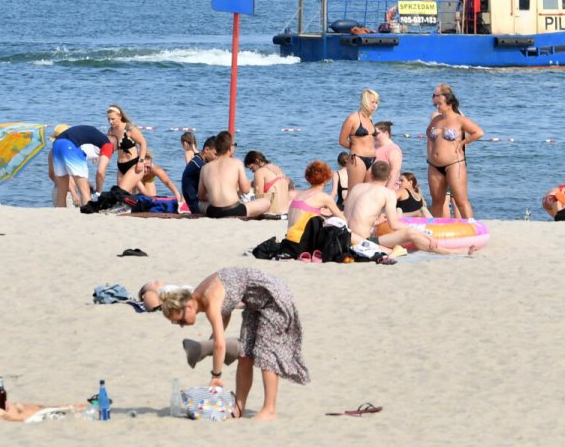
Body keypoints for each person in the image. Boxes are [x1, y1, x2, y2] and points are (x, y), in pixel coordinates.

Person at [156, 268, 310, 420]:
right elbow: (226, 311)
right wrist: (211, 344)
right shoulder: (199, 295)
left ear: (188, 306)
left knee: (266, 354)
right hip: (254, 304)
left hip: (272, 297)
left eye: (181, 320)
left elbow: (220, 344)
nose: (182, 325)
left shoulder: (209, 299)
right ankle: (239, 407)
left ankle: (269, 409)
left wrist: (216, 375)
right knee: (245, 354)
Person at [345, 160, 474, 254]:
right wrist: (422, 233)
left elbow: (353, 214)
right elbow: (394, 225)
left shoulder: (357, 187)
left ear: (371, 174)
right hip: (363, 240)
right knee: (411, 233)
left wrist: (375, 221)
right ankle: (451, 252)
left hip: (345, 236)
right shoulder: (387, 193)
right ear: (390, 177)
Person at [427, 83, 482, 219]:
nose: (437, 107)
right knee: (437, 201)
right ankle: (436, 230)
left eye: (440, 104)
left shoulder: (459, 119)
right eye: (436, 105)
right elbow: (428, 132)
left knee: (460, 200)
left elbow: (478, 132)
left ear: (449, 104)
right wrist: (433, 149)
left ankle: (471, 228)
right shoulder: (436, 120)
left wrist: (462, 143)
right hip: (434, 165)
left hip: (454, 163)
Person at [197, 132, 273, 218]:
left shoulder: (205, 168)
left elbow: (201, 196)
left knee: (200, 204)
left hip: (214, 212)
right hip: (234, 210)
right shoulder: (237, 163)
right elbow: (245, 190)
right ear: (230, 148)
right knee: (266, 202)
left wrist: (214, 197)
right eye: (234, 145)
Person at [48, 124, 114, 208]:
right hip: (69, 144)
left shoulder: (91, 140)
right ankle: (86, 216)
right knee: (84, 190)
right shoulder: (108, 145)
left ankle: (61, 214)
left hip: (57, 144)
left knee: (61, 191)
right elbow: (100, 172)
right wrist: (98, 192)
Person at [285, 160, 343, 243]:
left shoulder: (299, 194)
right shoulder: (324, 197)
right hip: (303, 243)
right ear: (326, 179)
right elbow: (342, 220)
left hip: (289, 239)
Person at [339, 88, 380, 188]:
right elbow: (342, 141)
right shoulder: (353, 118)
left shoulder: (370, 119)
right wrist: (355, 147)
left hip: (372, 159)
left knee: (368, 193)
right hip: (357, 159)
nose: (375, 105)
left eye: (376, 102)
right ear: (365, 101)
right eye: (372, 102)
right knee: (354, 192)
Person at [117, 153, 184, 205]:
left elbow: (167, 182)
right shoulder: (135, 170)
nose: (146, 170)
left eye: (148, 167)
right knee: (129, 197)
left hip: (148, 180)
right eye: (144, 166)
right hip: (135, 180)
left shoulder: (155, 169)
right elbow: (144, 192)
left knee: (151, 200)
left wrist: (177, 195)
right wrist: (159, 199)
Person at [105, 104, 147, 186]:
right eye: (108, 119)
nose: (110, 121)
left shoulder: (129, 128)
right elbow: (111, 148)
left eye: (113, 119)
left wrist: (141, 161)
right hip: (120, 166)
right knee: (121, 195)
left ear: (120, 116)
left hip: (133, 164)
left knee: (123, 191)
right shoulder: (111, 131)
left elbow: (143, 143)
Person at [243, 150, 292, 216]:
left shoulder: (259, 172)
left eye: (252, 168)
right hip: (286, 212)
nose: (252, 171)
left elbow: (258, 197)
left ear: (257, 161)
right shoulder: (277, 168)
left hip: (273, 212)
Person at [179, 130, 206, 215]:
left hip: (192, 175)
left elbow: (188, 168)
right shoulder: (198, 152)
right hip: (199, 176)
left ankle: (182, 203)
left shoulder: (187, 152)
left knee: (185, 183)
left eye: (182, 145)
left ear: (185, 143)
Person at [373, 121, 403, 190]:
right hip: (375, 186)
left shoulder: (393, 149)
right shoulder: (375, 146)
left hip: (389, 188)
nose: (373, 136)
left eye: (376, 134)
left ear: (386, 133)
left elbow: (394, 173)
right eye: (372, 134)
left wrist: (387, 191)